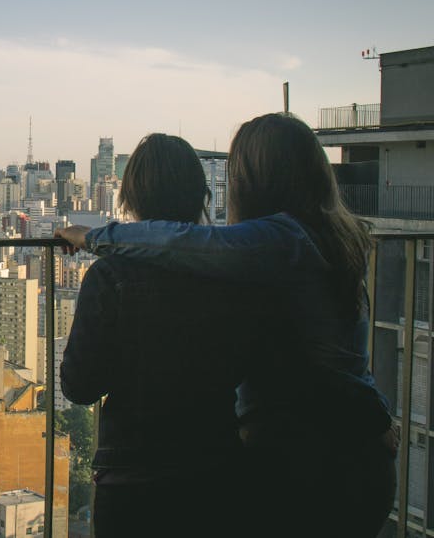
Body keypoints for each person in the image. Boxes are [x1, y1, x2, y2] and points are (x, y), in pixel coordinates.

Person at [57, 113, 396, 538]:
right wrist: (378, 415)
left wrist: (93, 238)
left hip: (306, 459)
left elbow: (186, 243)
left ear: (255, 180)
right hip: (348, 451)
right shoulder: (328, 237)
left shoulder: (280, 241)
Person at [59, 133, 273, 538]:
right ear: (200, 196)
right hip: (217, 470)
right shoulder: (234, 274)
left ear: (131, 198)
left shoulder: (110, 277)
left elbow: (79, 385)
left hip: (132, 480)